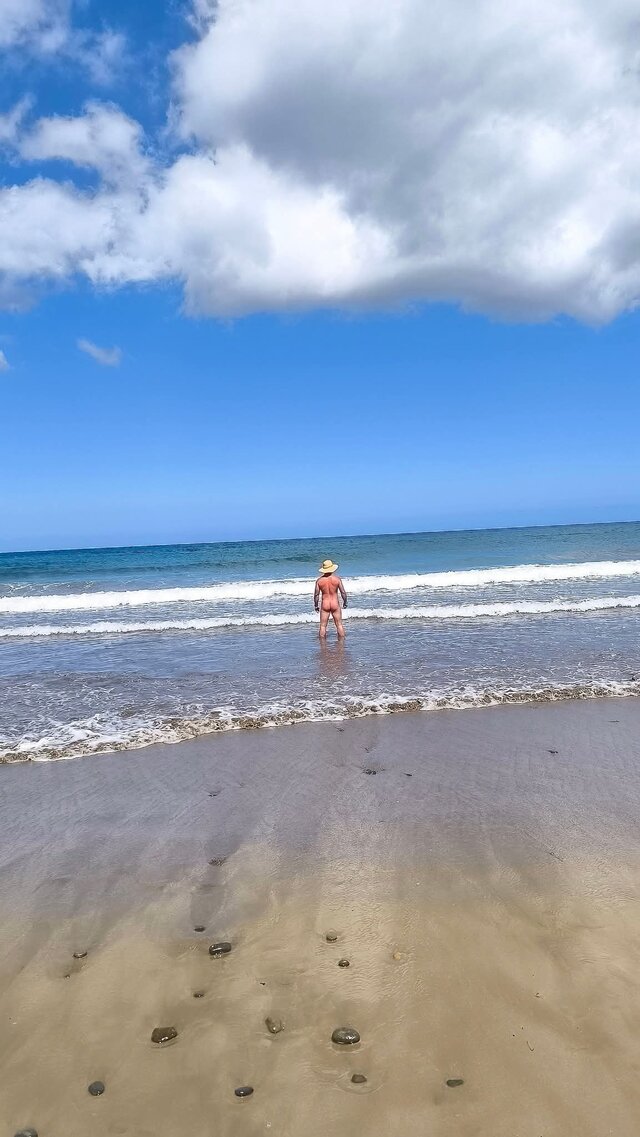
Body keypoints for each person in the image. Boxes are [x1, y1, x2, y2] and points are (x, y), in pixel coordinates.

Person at [314, 558, 347, 639]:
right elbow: (343, 592)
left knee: (323, 626)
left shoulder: (319, 581)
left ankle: (322, 643)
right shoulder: (337, 579)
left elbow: (316, 595)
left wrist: (316, 605)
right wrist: (345, 602)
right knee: (339, 624)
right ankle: (342, 642)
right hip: (335, 603)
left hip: (325, 604)